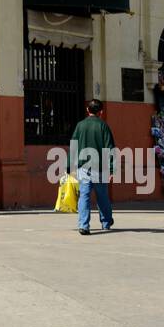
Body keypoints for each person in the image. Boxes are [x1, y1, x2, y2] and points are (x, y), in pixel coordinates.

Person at [70, 99, 115, 234]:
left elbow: (74, 145)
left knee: (84, 195)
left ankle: (84, 225)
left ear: (87, 110)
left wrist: (70, 166)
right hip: (100, 167)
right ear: (101, 112)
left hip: (83, 167)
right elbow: (110, 148)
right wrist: (112, 168)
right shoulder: (103, 126)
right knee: (102, 196)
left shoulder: (80, 126)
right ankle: (106, 222)